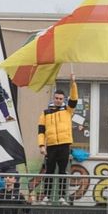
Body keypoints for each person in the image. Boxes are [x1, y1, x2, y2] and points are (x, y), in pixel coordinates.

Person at [37, 74, 77, 205]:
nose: (59, 100)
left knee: (62, 171)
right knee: (49, 171)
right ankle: (46, 197)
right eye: (57, 98)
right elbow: (41, 131)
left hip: (64, 144)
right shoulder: (45, 112)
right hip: (51, 145)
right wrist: (41, 146)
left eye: (61, 98)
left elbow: (74, 99)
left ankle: (61, 197)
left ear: (63, 99)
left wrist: (73, 83)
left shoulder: (67, 110)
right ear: (53, 98)